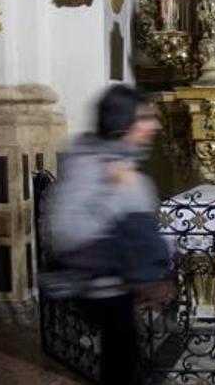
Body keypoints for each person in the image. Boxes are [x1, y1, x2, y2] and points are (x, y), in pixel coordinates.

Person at [46, 84, 173, 385]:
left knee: (126, 359)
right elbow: (67, 229)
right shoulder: (90, 162)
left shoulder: (118, 159)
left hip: (119, 285)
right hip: (104, 286)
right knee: (122, 365)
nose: (154, 126)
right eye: (145, 118)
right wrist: (121, 189)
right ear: (123, 122)